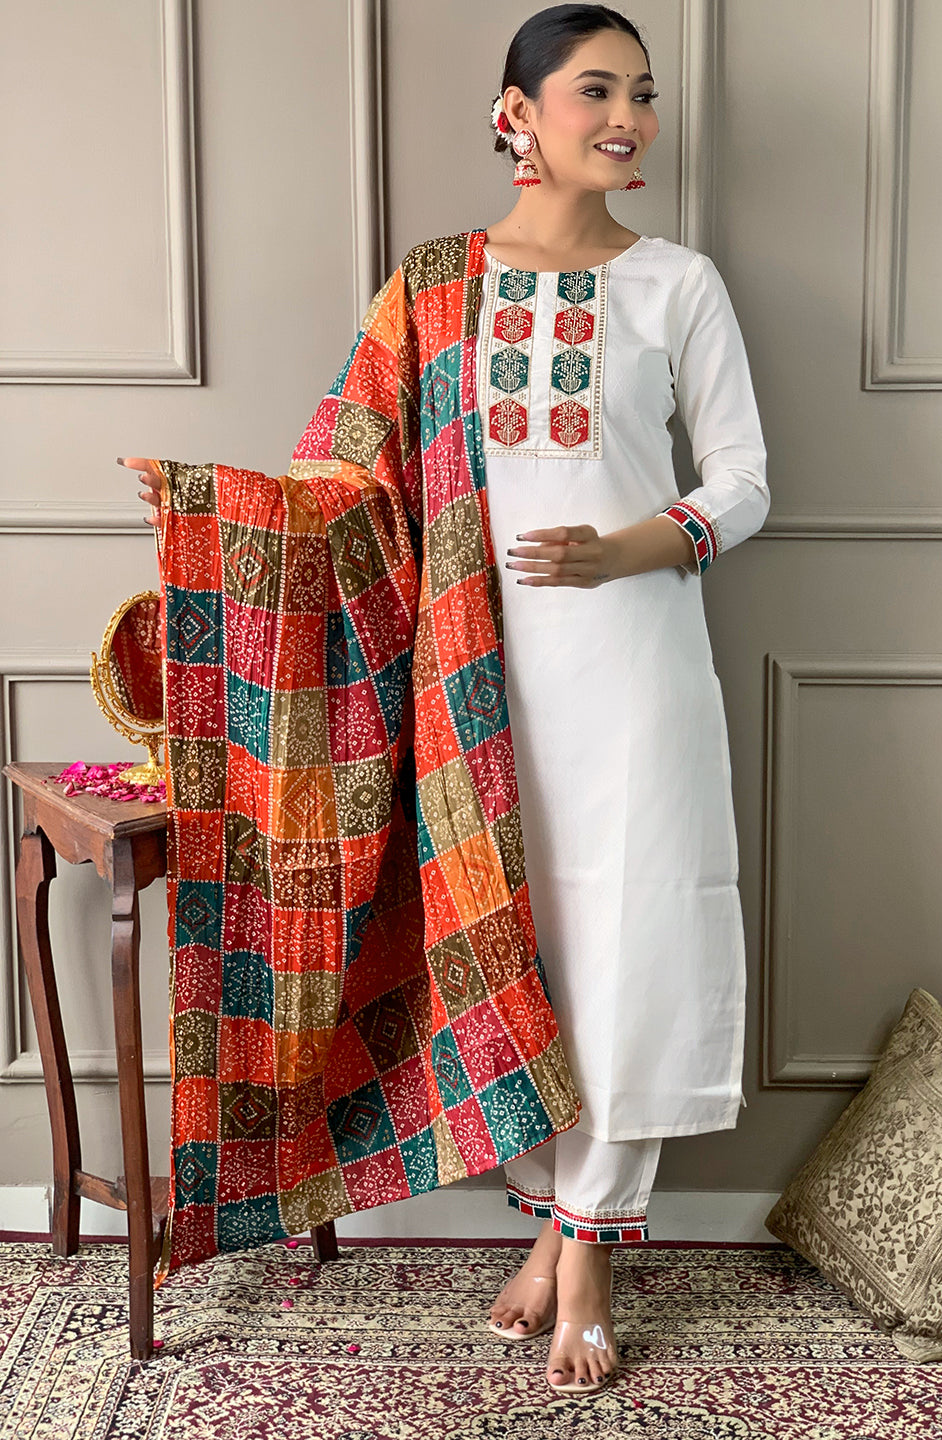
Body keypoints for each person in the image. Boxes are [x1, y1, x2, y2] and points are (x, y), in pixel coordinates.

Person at [124, 0, 768, 1399]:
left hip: (635, 666)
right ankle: (553, 1220)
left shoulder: (679, 284)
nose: (630, 118)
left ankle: (589, 1255)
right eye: (597, 90)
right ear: (516, 112)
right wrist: (213, 517)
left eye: (643, 94)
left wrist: (626, 547)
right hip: (467, 681)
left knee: (629, 941)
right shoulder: (430, 284)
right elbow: (346, 478)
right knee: (514, 946)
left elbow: (742, 482)